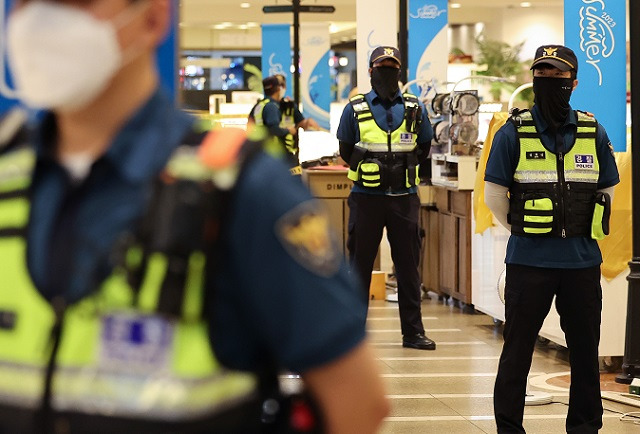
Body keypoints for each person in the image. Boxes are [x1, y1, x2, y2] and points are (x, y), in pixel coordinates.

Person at [0, 1, 389, 433]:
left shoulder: (241, 190)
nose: (42, 21)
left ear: (150, 18)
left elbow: (357, 403)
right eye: (27, 4)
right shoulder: (8, 182)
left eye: (74, 3)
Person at [484, 44, 620, 433]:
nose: (550, 81)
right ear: (533, 79)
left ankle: (584, 428)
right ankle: (509, 428)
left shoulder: (594, 132)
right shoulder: (513, 133)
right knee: (516, 353)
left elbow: (607, 190)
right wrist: (525, 230)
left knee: (583, 354)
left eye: (559, 76)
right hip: (529, 262)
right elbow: (494, 196)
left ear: (574, 82)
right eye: (542, 74)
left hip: (581, 263)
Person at [336, 46, 436, 351]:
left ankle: (413, 333)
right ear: (370, 71)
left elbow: (423, 148)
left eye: (392, 66)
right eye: (381, 66)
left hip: (404, 198)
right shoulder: (354, 108)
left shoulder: (414, 108)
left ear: (399, 71)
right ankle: (352, 336)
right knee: (359, 266)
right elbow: (345, 150)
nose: (387, 71)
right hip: (365, 198)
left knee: (408, 267)